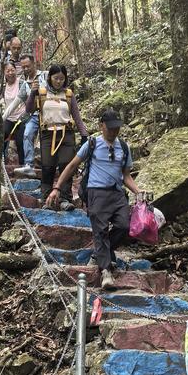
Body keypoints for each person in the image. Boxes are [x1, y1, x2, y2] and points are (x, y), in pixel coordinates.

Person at [46, 107, 138, 288]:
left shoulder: (124, 147)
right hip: (96, 193)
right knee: (101, 231)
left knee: (124, 226)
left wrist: (138, 191)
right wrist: (56, 188)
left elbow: (126, 175)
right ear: (101, 125)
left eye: (116, 128)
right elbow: (72, 165)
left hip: (117, 194)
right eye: (110, 127)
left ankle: (100, 252)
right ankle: (106, 272)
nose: (113, 131)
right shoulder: (92, 144)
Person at [25, 64, 87, 207]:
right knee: (48, 166)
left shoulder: (69, 94)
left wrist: (84, 134)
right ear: (50, 78)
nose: (59, 81)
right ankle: (46, 197)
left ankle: (65, 198)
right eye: (56, 78)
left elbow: (77, 117)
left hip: (66, 134)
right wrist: (32, 94)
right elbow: (29, 109)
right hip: (47, 134)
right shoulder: (42, 93)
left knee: (66, 165)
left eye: (61, 79)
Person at [15, 53, 46, 177]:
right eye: (23, 67)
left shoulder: (45, 75)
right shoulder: (25, 84)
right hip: (33, 115)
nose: (26, 69)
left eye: (28, 66)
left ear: (34, 64)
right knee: (27, 134)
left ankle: (49, 164)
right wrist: (4, 117)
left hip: (48, 114)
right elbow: (16, 102)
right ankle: (29, 165)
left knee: (45, 139)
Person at [0, 61, 29, 164]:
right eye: (8, 71)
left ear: (16, 71)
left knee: (20, 141)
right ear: (4, 73)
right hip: (9, 118)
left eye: (12, 70)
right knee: (1, 137)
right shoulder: (2, 86)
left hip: (22, 117)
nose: (10, 73)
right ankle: (1, 162)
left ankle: (22, 165)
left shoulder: (22, 83)